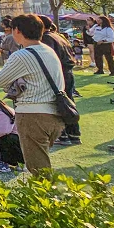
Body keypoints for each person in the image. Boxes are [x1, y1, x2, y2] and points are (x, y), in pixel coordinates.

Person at [0, 14, 65, 174]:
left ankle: (45, 197)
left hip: (33, 115)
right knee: (41, 162)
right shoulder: (49, 50)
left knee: (38, 168)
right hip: (56, 114)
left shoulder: (22, 55)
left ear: (17, 30)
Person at [41, 16, 80, 145]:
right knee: (68, 103)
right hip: (67, 72)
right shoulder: (58, 36)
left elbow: (49, 58)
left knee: (58, 104)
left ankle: (62, 135)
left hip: (58, 74)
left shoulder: (46, 38)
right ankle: (73, 133)